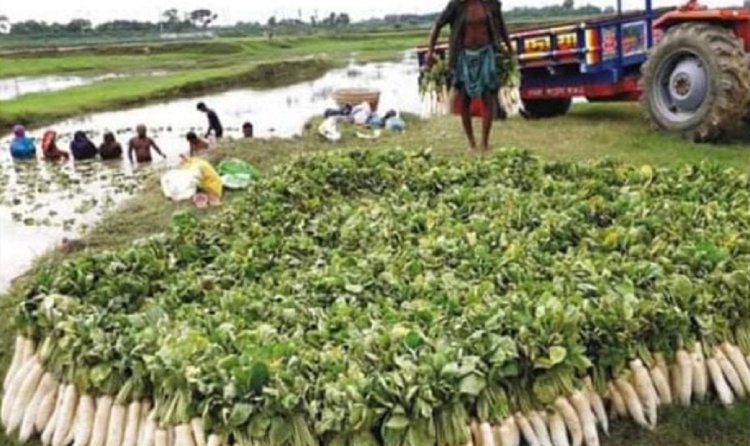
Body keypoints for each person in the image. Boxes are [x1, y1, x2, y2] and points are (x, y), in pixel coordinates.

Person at [426, 0, 514, 154]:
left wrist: (509, 47)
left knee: (488, 97)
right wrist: (430, 50)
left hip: (486, 54)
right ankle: (471, 142)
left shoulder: (491, 4)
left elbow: (501, 27)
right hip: (463, 56)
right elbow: (438, 25)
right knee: (465, 100)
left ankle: (484, 143)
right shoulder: (457, 5)